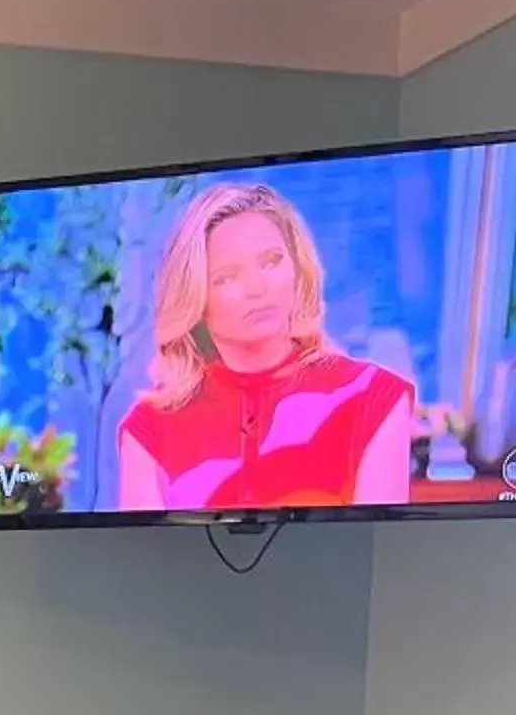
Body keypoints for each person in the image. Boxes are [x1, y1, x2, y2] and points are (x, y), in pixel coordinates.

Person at [114, 182, 414, 513]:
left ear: (298, 269)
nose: (257, 289)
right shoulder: (149, 429)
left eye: (271, 262)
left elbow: (375, 548)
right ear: (195, 298)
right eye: (226, 277)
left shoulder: (374, 398)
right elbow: (145, 559)